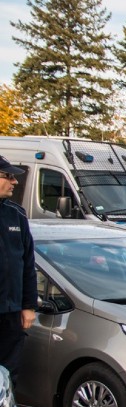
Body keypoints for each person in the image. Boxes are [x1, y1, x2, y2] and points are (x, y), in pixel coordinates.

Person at [0, 155, 37, 388]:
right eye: (8, 176)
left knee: (8, 375)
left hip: (11, 313)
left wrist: (28, 306)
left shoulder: (17, 214)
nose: (15, 182)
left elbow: (27, 263)